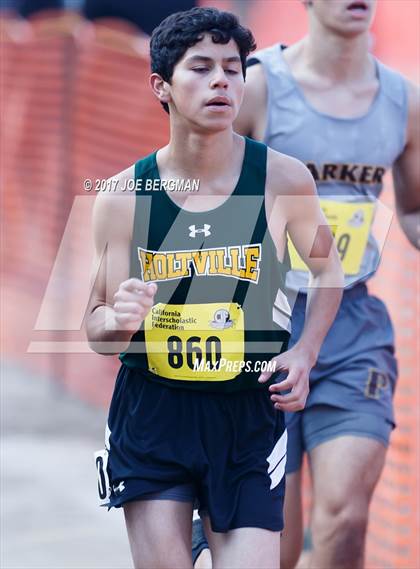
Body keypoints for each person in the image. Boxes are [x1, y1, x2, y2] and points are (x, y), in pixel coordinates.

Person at [86, 7, 343, 569]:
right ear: (163, 87)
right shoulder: (123, 195)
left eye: (233, 68)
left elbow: (328, 271)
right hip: (155, 411)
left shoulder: (282, 178)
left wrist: (305, 352)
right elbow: (96, 328)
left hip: (248, 411)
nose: (222, 80)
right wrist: (119, 318)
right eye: (201, 68)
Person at [192, 1, 420, 568]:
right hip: (257, 328)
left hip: (351, 326)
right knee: (277, 545)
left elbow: (414, 213)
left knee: (345, 517)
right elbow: (193, 197)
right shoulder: (259, 87)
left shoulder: (405, 102)